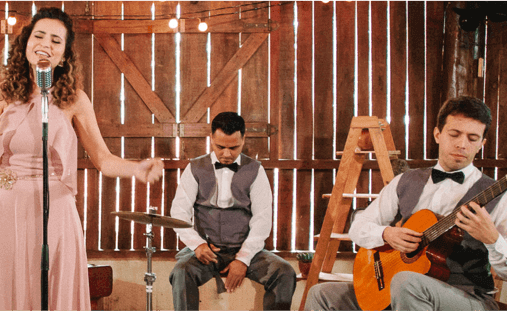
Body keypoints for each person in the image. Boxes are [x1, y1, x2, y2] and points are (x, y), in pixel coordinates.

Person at [0, 7, 164, 310]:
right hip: (7, 206)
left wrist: (137, 168)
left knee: (52, 290)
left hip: (55, 208)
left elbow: (103, 159)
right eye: (39, 36)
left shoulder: (75, 99)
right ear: (25, 43)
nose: (45, 44)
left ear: (64, 55)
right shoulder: (3, 93)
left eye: (56, 40)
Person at [305, 96, 507, 311]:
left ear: (482, 145)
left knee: (406, 282)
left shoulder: (498, 196)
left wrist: (492, 240)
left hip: (467, 296)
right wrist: (386, 234)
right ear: (437, 134)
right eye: (454, 134)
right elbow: (358, 227)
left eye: (472, 138)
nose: (462, 144)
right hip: (403, 289)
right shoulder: (406, 181)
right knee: (321, 294)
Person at [169, 112, 296, 311]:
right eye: (220, 147)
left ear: (243, 140)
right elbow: (179, 214)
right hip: (207, 251)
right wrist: (198, 245)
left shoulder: (256, 170)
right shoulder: (194, 168)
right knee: (181, 272)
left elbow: (262, 220)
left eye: (233, 147)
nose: (227, 154)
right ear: (211, 139)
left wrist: (243, 259)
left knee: (285, 272)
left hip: (245, 249)